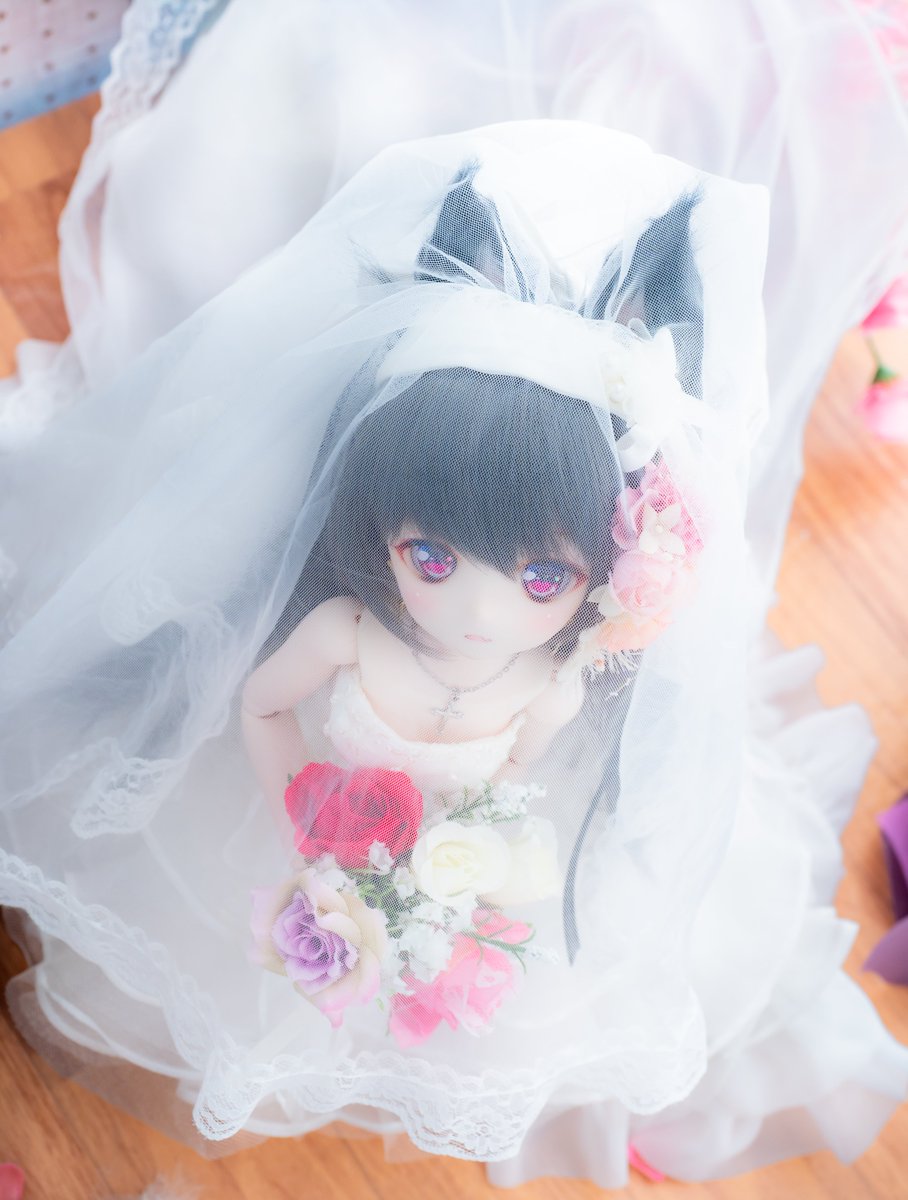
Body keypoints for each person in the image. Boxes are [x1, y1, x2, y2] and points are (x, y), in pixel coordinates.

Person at [0, 121, 904, 1188]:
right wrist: (301, 804)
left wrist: (458, 857)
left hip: (444, 853)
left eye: (541, 580)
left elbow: (519, 773)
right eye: (429, 556)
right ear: (378, 528)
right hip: (321, 823)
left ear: (608, 576)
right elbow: (261, 703)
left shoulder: (553, 682)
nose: (477, 614)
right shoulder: (345, 629)